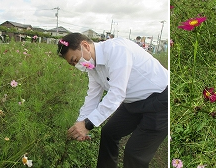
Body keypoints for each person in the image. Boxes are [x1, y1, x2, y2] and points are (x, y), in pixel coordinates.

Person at [57, 33, 168, 168]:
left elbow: (117, 93)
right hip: (133, 102)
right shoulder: (92, 66)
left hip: (160, 100)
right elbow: (92, 96)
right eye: (72, 64)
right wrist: (81, 122)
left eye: (75, 60)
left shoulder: (117, 50)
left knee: (135, 154)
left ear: (85, 46)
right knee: (109, 133)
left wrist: (88, 124)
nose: (77, 65)